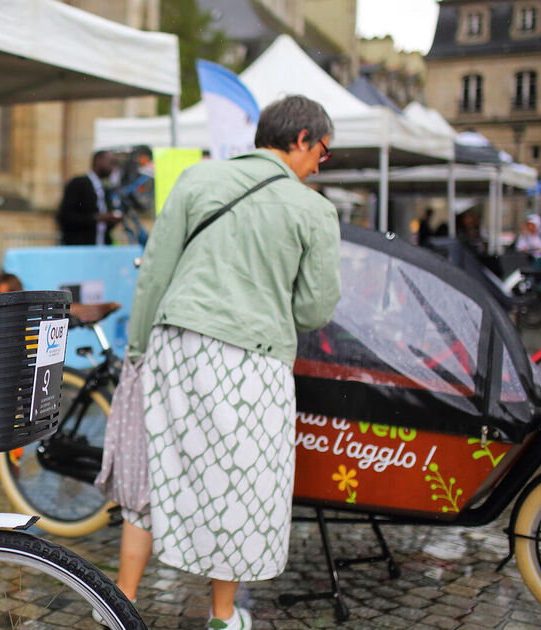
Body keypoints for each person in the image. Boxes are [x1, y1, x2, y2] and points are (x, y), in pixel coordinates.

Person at [112, 95, 341, 629]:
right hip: (253, 365)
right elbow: (313, 310)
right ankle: (220, 616)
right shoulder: (313, 210)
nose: (317, 165)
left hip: (177, 345)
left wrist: (138, 351)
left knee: (156, 468)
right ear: (302, 139)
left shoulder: (196, 181)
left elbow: (155, 274)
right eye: (322, 153)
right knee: (237, 486)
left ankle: (118, 603)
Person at [57, 151, 122, 245]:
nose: (113, 168)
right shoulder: (78, 183)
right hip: (80, 248)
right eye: (111, 162)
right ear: (99, 161)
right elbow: (65, 217)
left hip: (102, 247)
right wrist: (98, 218)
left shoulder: (105, 188)